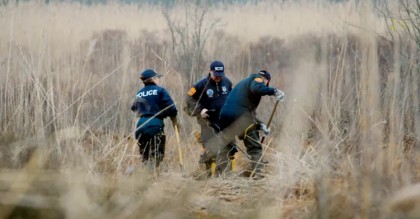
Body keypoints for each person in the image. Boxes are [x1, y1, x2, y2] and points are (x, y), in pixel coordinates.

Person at [209, 70, 285, 179]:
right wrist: (274, 91)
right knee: (254, 147)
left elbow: (246, 111)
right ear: (267, 81)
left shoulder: (243, 84)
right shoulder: (257, 79)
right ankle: (258, 173)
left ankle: (223, 174)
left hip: (225, 117)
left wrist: (260, 125)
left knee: (226, 146)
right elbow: (257, 88)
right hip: (241, 118)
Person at [184, 60, 236, 175]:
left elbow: (233, 98)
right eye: (216, 76)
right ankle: (205, 175)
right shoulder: (201, 84)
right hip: (207, 122)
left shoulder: (227, 82)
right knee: (210, 148)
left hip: (225, 122)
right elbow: (189, 99)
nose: (218, 78)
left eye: (220, 76)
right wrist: (200, 110)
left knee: (228, 148)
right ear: (210, 72)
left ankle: (224, 176)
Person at [131, 69, 179, 171]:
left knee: (145, 156)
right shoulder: (160, 90)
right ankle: (152, 177)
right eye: (157, 78)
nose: (159, 80)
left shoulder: (139, 93)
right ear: (153, 79)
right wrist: (173, 120)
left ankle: (144, 178)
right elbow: (172, 108)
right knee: (156, 154)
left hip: (140, 125)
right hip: (155, 125)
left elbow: (134, 108)